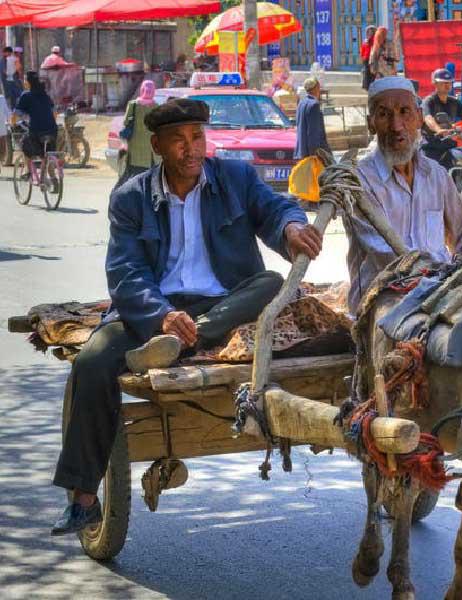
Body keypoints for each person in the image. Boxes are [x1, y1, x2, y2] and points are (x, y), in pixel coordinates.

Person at [50, 98, 323, 536]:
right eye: (179, 140)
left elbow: (276, 209)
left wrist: (291, 228)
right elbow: (126, 273)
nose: (191, 148)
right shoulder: (130, 199)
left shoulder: (235, 177)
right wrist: (161, 316)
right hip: (151, 313)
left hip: (221, 307)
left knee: (270, 282)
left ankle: (183, 345)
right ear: (157, 146)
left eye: (197, 137)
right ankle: (83, 501)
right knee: (92, 362)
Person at [345, 76, 462, 531]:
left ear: (419, 121)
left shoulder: (436, 175)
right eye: (384, 114)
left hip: (442, 288)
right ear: (371, 121)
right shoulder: (357, 177)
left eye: (405, 113)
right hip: (386, 297)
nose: (396, 125)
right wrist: (436, 273)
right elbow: (380, 250)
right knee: (427, 355)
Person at [114, 80, 161, 189]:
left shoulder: (133, 105)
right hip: (151, 155)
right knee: (149, 183)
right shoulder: (156, 107)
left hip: (134, 153)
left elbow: (126, 122)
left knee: (133, 180)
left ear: (142, 89)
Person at [12, 71, 57, 160]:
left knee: (25, 145)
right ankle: (48, 165)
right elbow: (55, 113)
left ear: (29, 82)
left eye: (25, 80)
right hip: (52, 130)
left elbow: (15, 115)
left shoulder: (26, 95)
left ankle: (29, 171)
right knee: (46, 153)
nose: (23, 82)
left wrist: (12, 124)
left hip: (36, 131)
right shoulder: (45, 94)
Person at [294, 77, 330, 160]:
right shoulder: (314, 105)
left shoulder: (301, 103)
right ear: (316, 88)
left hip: (301, 153)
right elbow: (313, 133)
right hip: (311, 155)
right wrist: (314, 155)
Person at [360, 25, 377, 91]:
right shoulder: (365, 40)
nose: (370, 33)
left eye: (371, 31)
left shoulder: (375, 40)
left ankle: (372, 85)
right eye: (368, 31)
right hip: (366, 58)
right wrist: (362, 56)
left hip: (372, 58)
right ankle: (366, 86)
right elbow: (363, 49)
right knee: (366, 72)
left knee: (372, 72)